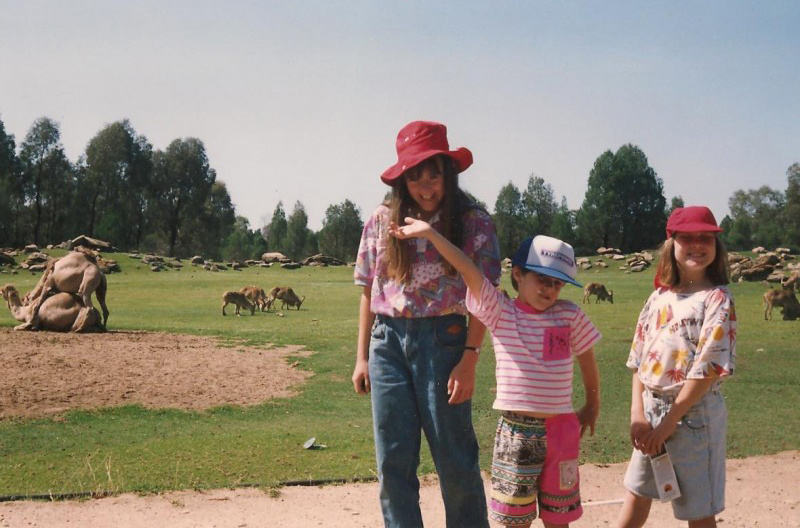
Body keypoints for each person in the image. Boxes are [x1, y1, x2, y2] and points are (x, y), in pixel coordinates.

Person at [389, 218, 601, 528]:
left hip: (561, 430)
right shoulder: (501, 311)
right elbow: (469, 270)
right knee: (516, 520)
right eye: (542, 279)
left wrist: (592, 402)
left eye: (557, 283)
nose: (550, 289)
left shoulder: (570, 315)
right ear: (518, 274)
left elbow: (587, 357)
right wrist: (431, 234)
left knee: (560, 519)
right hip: (516, 433)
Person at [351, 120, 501, 528]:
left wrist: (470, 357)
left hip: (445, 340)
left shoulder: (473, 222)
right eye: (414, 176)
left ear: (447, 173)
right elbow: (369, 288)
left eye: (433, 173)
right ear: (402, 180)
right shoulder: (382, 220)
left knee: (455, 460)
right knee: (393, 461)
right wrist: (361, 357)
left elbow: (485, 294)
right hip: (387, 345)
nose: (425, 185)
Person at [616, 206, 737, 528]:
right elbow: (639, 361)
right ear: (672, 244)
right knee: (637, 493)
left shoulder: (716, 299)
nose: (697, 245)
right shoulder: (658, 297)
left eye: (706, 238)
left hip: (694, 417)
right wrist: (637, 415)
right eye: (688, 238)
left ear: (716, 246)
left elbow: (707, 369)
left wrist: (669, 423)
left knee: (698, 510)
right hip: (652, 410)